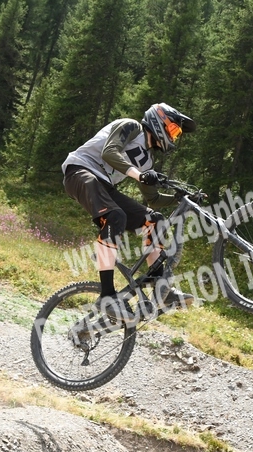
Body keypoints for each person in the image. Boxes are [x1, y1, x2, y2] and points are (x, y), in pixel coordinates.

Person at [62, 103, 196, 323]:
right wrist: (140, 175)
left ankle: (161, 289)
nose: (173, 137)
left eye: (176, 134)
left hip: (104, 186)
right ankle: (107, 296)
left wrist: (181, 199)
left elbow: (153, 199)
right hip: (80, 171)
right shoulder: (131, 127)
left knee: (155, 220)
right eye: (173, 130)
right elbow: (109, 152)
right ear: (159, 120)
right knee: (115, 216)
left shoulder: (148, 160)